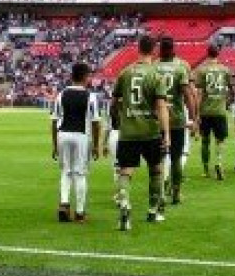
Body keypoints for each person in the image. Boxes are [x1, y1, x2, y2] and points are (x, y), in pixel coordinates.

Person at [111, 36, 171, 230]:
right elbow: (161, 106)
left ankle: (125, 205)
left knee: (125, 171)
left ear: (138, 49)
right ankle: (153, 211)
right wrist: (167, 134)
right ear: (153, 50)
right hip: (150, 132)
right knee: (156, 170)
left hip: (128, 132)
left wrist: (119, 121)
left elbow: (114, 103)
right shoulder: (156, 75)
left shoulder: (125, 73)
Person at [51, 62, 101, 223]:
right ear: (86, 77)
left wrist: (54, 145)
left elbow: (53, 121)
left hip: (63, 134)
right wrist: (95, 145)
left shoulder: (61, 94)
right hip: (81, 136)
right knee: (80, 174)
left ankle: (64, 204)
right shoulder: (90, 96)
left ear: (71, 76)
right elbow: (95, 123)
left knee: (66, 171)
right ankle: (79, 213)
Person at [154, 36, 197, 206]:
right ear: (173, 49)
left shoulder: (153, 67)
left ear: (160, 49)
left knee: (158, 158)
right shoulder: (180, 68)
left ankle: (160, 193)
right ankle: (176, 194)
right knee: (176, 158)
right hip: (177, 119)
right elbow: (188, 95)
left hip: (157, 120)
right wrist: (193, 118)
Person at [194, 46, 233, 181]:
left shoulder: (201, 70)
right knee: (220, 140)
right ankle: (219, 162)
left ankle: (205, 170)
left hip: (205, 111)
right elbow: (231, 87)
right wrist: (228, 101)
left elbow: (199, 93)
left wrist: (197, 113)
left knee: (205, 141)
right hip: (219, 110)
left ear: (207, 54)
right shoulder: (225, 69)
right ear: (218, 54)